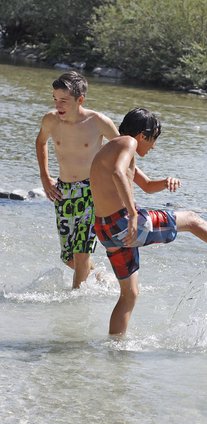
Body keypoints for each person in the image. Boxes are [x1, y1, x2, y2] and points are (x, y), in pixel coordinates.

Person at [90, 108, 207, 335]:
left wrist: (165, 182)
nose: (153, 147)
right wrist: (133, 215)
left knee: (130, 294)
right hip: (123, 222)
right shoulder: (127, 143)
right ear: (143, 135)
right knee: (192, 220)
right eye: (153, 140)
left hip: (106, 230)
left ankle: (114, 352)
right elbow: (117, 172)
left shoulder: (113, 147)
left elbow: (145, 186)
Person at [35, 71, 119, 289]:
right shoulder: (51, 120)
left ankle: (74, 303)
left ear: (80, 100)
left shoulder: (98, 122)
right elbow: (41, 141)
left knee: (82, 253)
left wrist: (120, 185)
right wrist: (45, 177)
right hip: (62, 192)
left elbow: (123, 149)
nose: (58, 105)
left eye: (63, 100)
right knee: (69, 257)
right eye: (55, 99)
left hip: (92, 191)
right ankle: (100, 277)